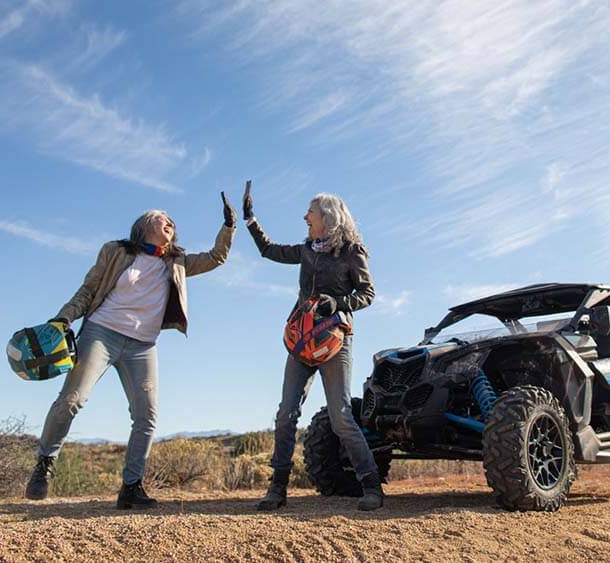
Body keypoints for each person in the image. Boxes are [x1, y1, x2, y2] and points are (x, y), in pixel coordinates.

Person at [24, 195, 237, 509]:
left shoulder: (176, 261)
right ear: (144, 226)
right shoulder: (116, 252)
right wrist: (64, 318)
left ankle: (131, 488)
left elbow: (217, 257)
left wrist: (229, 225)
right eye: (162, 216)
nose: (170, 221)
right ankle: (45, 463)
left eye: (172, 220)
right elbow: (89, 290)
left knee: (146, 415)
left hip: (142, 345)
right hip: (102, 333)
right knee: (73, 399)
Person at [243, 185, 383, 511]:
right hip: (301, 340)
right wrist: (250, 220)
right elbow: (269, 250)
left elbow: (367, 294)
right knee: (285, 414)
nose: (305, 217)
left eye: (311, 212)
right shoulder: (307, 250)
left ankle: (371, 486)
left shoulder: (352, 252)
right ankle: (277, 488)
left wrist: (338, 303)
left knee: (341, 417)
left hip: (335, 341)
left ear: (328, 217)